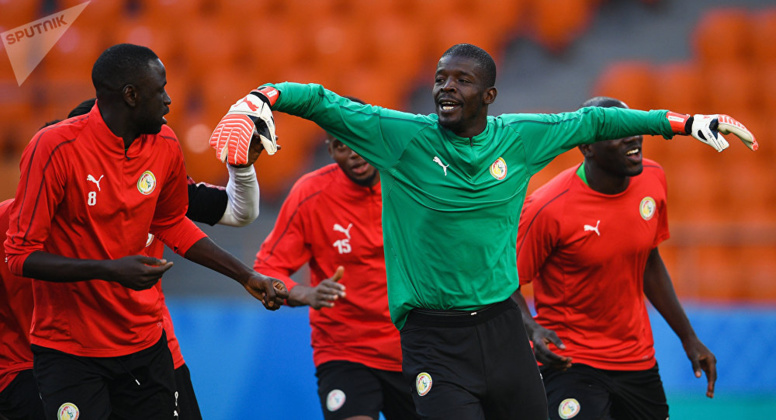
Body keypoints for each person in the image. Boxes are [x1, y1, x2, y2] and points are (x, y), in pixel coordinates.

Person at [211, 43, 757, 419]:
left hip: (502, 329)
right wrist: (261, 98)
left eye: (462, 80)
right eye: (440, 78)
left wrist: (684, 123)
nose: (446, 88)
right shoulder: (400, 137)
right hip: (431, 335)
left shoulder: (519, 137)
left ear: (489, 96)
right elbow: (324, 102)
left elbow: (596, 122)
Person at [3, 43, 287, 419]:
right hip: (69, 351)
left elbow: (172, 223)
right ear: (131, 95)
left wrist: (245, 275)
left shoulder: (165, 144)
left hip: (144, 342)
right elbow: (19, 255)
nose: (170, 100)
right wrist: (110, 270)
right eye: (161, 89)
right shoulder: (55, 148)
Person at [511, 96, 717, 420]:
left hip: (637, 361)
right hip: (571, 363)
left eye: (633, 127)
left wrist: (689, 338)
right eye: (617, 131)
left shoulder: (653, 179)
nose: (633, 137)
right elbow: (506, 281)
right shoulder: (547, 207)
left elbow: (649, 262)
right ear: (587, 147)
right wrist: (532, 330)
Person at [253, 97, 419, 420]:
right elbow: (267, 269)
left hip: (413, 348)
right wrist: (304, 294)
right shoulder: (310, 194)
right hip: (344, 350)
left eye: (359, 140)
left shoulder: (411, 184)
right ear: (329, 150)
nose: (354, 153)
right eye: (342, 145)